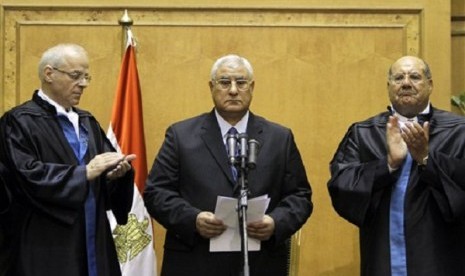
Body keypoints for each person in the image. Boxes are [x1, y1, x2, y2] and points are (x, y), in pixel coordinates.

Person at [144, 54, 313, 276]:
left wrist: (275, 222)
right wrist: (192, 219)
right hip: (195, 262)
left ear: (251, 87)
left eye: (241, 83)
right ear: (211, 87)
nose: (233, 90)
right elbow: (156, 192)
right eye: (224, 82)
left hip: (261, 263)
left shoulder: (279, 138)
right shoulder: (181, 135)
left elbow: (299, 196)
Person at [0, 43, 136, 276]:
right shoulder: (19, 122)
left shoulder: (87, 121)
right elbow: (27, 177)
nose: (83, 83)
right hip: (45, 243)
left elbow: (104, 177)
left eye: (86, 76)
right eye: (76, 76)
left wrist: (117, 176)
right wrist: (84, 173)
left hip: (93, 236)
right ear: (49, 74)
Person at [328, 56, 465, 276]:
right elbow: (341, 185)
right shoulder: (364, 132)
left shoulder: (459, 130)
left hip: (440, 258)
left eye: (415, 77)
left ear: (430, 84)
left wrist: (426, 159)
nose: (406, 83)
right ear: (389, 86)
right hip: (383, 257)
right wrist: (388, 165)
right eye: (399, 77)